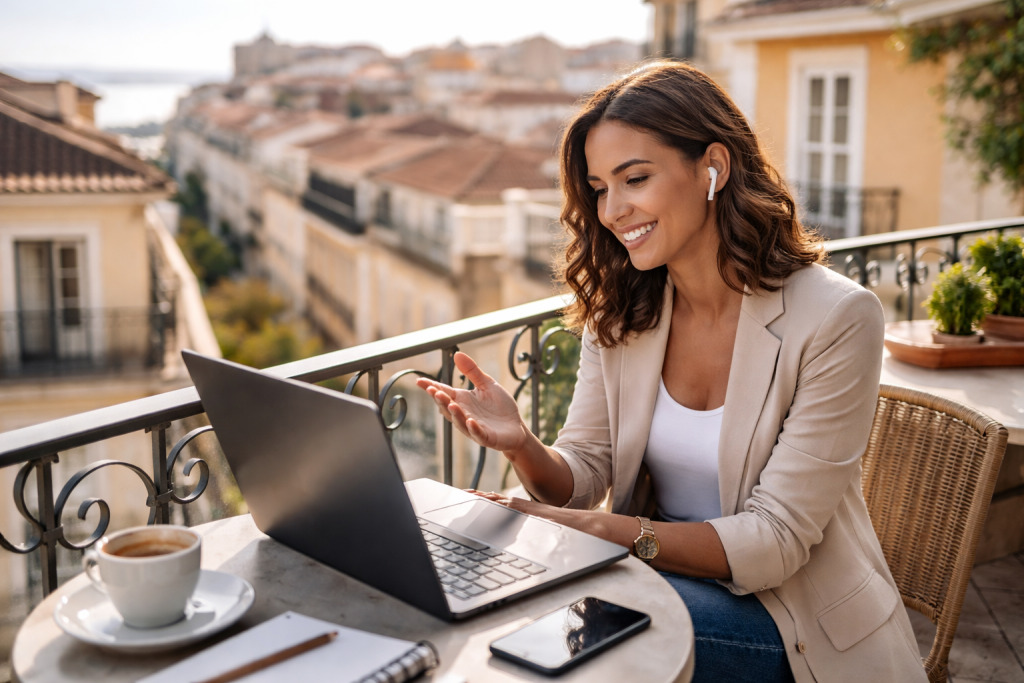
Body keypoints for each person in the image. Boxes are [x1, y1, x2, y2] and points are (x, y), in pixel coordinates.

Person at [416, 61, 926, 683]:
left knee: (560, 636)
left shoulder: (837, 317)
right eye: (600, 188)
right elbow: (581, 476)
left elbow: (775, 542)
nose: (612, 210)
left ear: (713, 166)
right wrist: (523, 446)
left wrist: (601, 529)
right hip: (652, 576)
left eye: (635, 179)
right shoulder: (626, 311)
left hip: (796, 621)